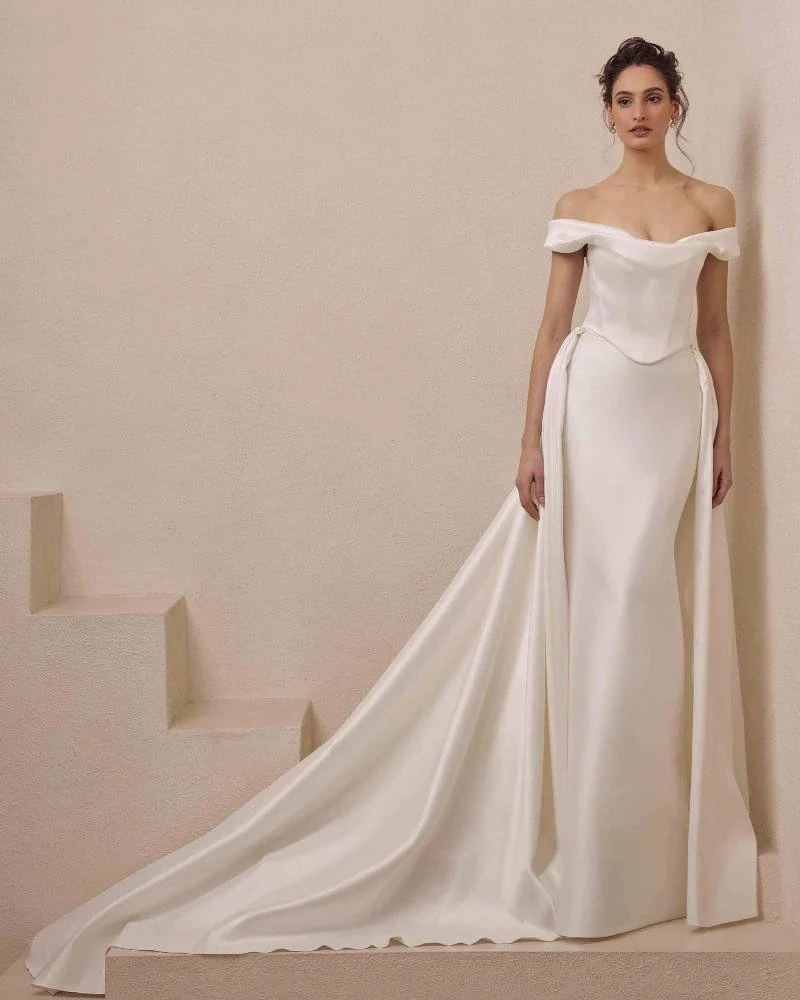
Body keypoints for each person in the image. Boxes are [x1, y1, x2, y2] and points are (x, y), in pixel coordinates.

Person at [24, 36, 758, 997]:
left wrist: (725, 434)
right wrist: (531, 442)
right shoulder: (580, 206)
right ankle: (595, 858)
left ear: (676, 106)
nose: (637, 112)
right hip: (599, 410)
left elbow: (714, 328)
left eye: (653, 96)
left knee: (654, 612)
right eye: (622, 99)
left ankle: (659, 850)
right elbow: (550, 329)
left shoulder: (712, 207)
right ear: (605, 111)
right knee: (611, 604)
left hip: (673, 416)